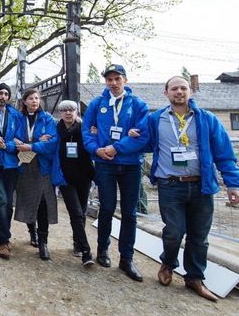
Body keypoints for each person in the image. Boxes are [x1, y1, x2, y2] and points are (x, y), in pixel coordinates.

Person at [149, 76, 239, 301]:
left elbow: (224, 154)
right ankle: (168, 263)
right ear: (166, 92)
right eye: (174, 89)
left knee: (199, 236)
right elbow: (139, 140)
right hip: (170, 185)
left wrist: (232, 183)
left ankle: (194, 278)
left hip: (201, 186)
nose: (179, 92)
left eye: (183, 88)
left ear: (190, 91)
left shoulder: (207, 119)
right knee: (174, 232)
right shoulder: (155, 119)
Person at [82, 64, 149, 281]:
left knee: (129, 213)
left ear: (125, 80)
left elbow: (143, 135)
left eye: (117, 78)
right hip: (105, 164)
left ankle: (126, 258)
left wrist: (116, 147)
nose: (113, 83)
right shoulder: (97, 104)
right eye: (109, 79)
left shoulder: (138, 105)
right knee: (107, 208)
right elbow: (87, 131)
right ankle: (102, 250)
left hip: (130, 165)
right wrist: (97, 149)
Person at [14, 88, 58, 260]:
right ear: (24, 101)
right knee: (27, 201)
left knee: (43, 203)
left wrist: (31, 146)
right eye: (31, 98)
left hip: (42, 167)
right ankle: (32, 232)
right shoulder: (18, 118)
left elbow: (53, 142)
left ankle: (43, 242)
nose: (34, 101)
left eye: (37, 98)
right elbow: (13, 138)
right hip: (24, 166)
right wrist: (21, 142)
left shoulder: (47, 119)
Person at [53, 100, 95, 266]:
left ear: (77, 112)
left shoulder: (85, 129)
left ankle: (78, 243)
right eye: (64, 110)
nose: (68, 113)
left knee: (82, 211)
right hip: (65, 178)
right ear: (60, 113)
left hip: (84, 176)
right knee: (76, 213)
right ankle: (86, 251)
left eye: (71, 110)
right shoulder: (56, 130)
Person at [0, 83, 22, 259]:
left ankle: (4, 237)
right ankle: (4, 240)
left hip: (11, 164)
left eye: (6, 94)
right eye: (0, 93)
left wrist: (6, 145)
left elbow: (20, 139)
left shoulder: (16, 115)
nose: (3, 96)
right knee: (1, 201)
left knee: (8, 204)